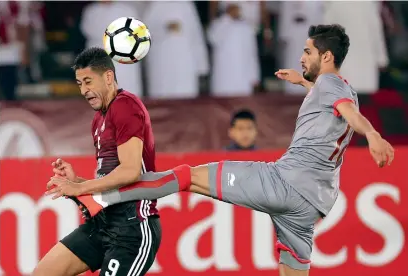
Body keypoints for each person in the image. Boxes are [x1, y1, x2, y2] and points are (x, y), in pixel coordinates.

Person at [47, 25, 395, 276]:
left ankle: (109, 198)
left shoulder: (333, 87)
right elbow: (336, 101)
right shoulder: (337, 87)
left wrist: (374, 135)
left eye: (308, 51)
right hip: (314, 205)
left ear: (327, 56)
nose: (302, 56)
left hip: (284, 183)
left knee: (188, 177)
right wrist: (301, 81)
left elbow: (348, 112)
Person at [34, 48, 161, 276]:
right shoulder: (98, 118)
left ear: (109, 77)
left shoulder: (125, 106)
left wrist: (80, 187)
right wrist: (77, 180)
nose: (84, 90)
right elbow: (110, 179)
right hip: (103, 224)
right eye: (79, 83)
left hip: (132, 229)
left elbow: (131, 171)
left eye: (88, 81)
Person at [143, 1, 209, 99]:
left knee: (186, 98)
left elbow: (195, 35)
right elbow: (144, 32)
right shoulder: (156, 4)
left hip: (185, 64)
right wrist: (165, 28)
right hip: (162, 64)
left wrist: (202, 66)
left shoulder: (187, 4)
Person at [80, 0, 143, 97]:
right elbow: (87, 29)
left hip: (123, 54)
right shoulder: (91, 10)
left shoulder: (126, 9)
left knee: (126, 85)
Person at [208, 2, 260, 97]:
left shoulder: (247, 27)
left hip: (243, 79)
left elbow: (252, 55)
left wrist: (254, 78)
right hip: (223, 78)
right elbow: (213, 38)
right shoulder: (219, 24)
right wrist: (227, 18)